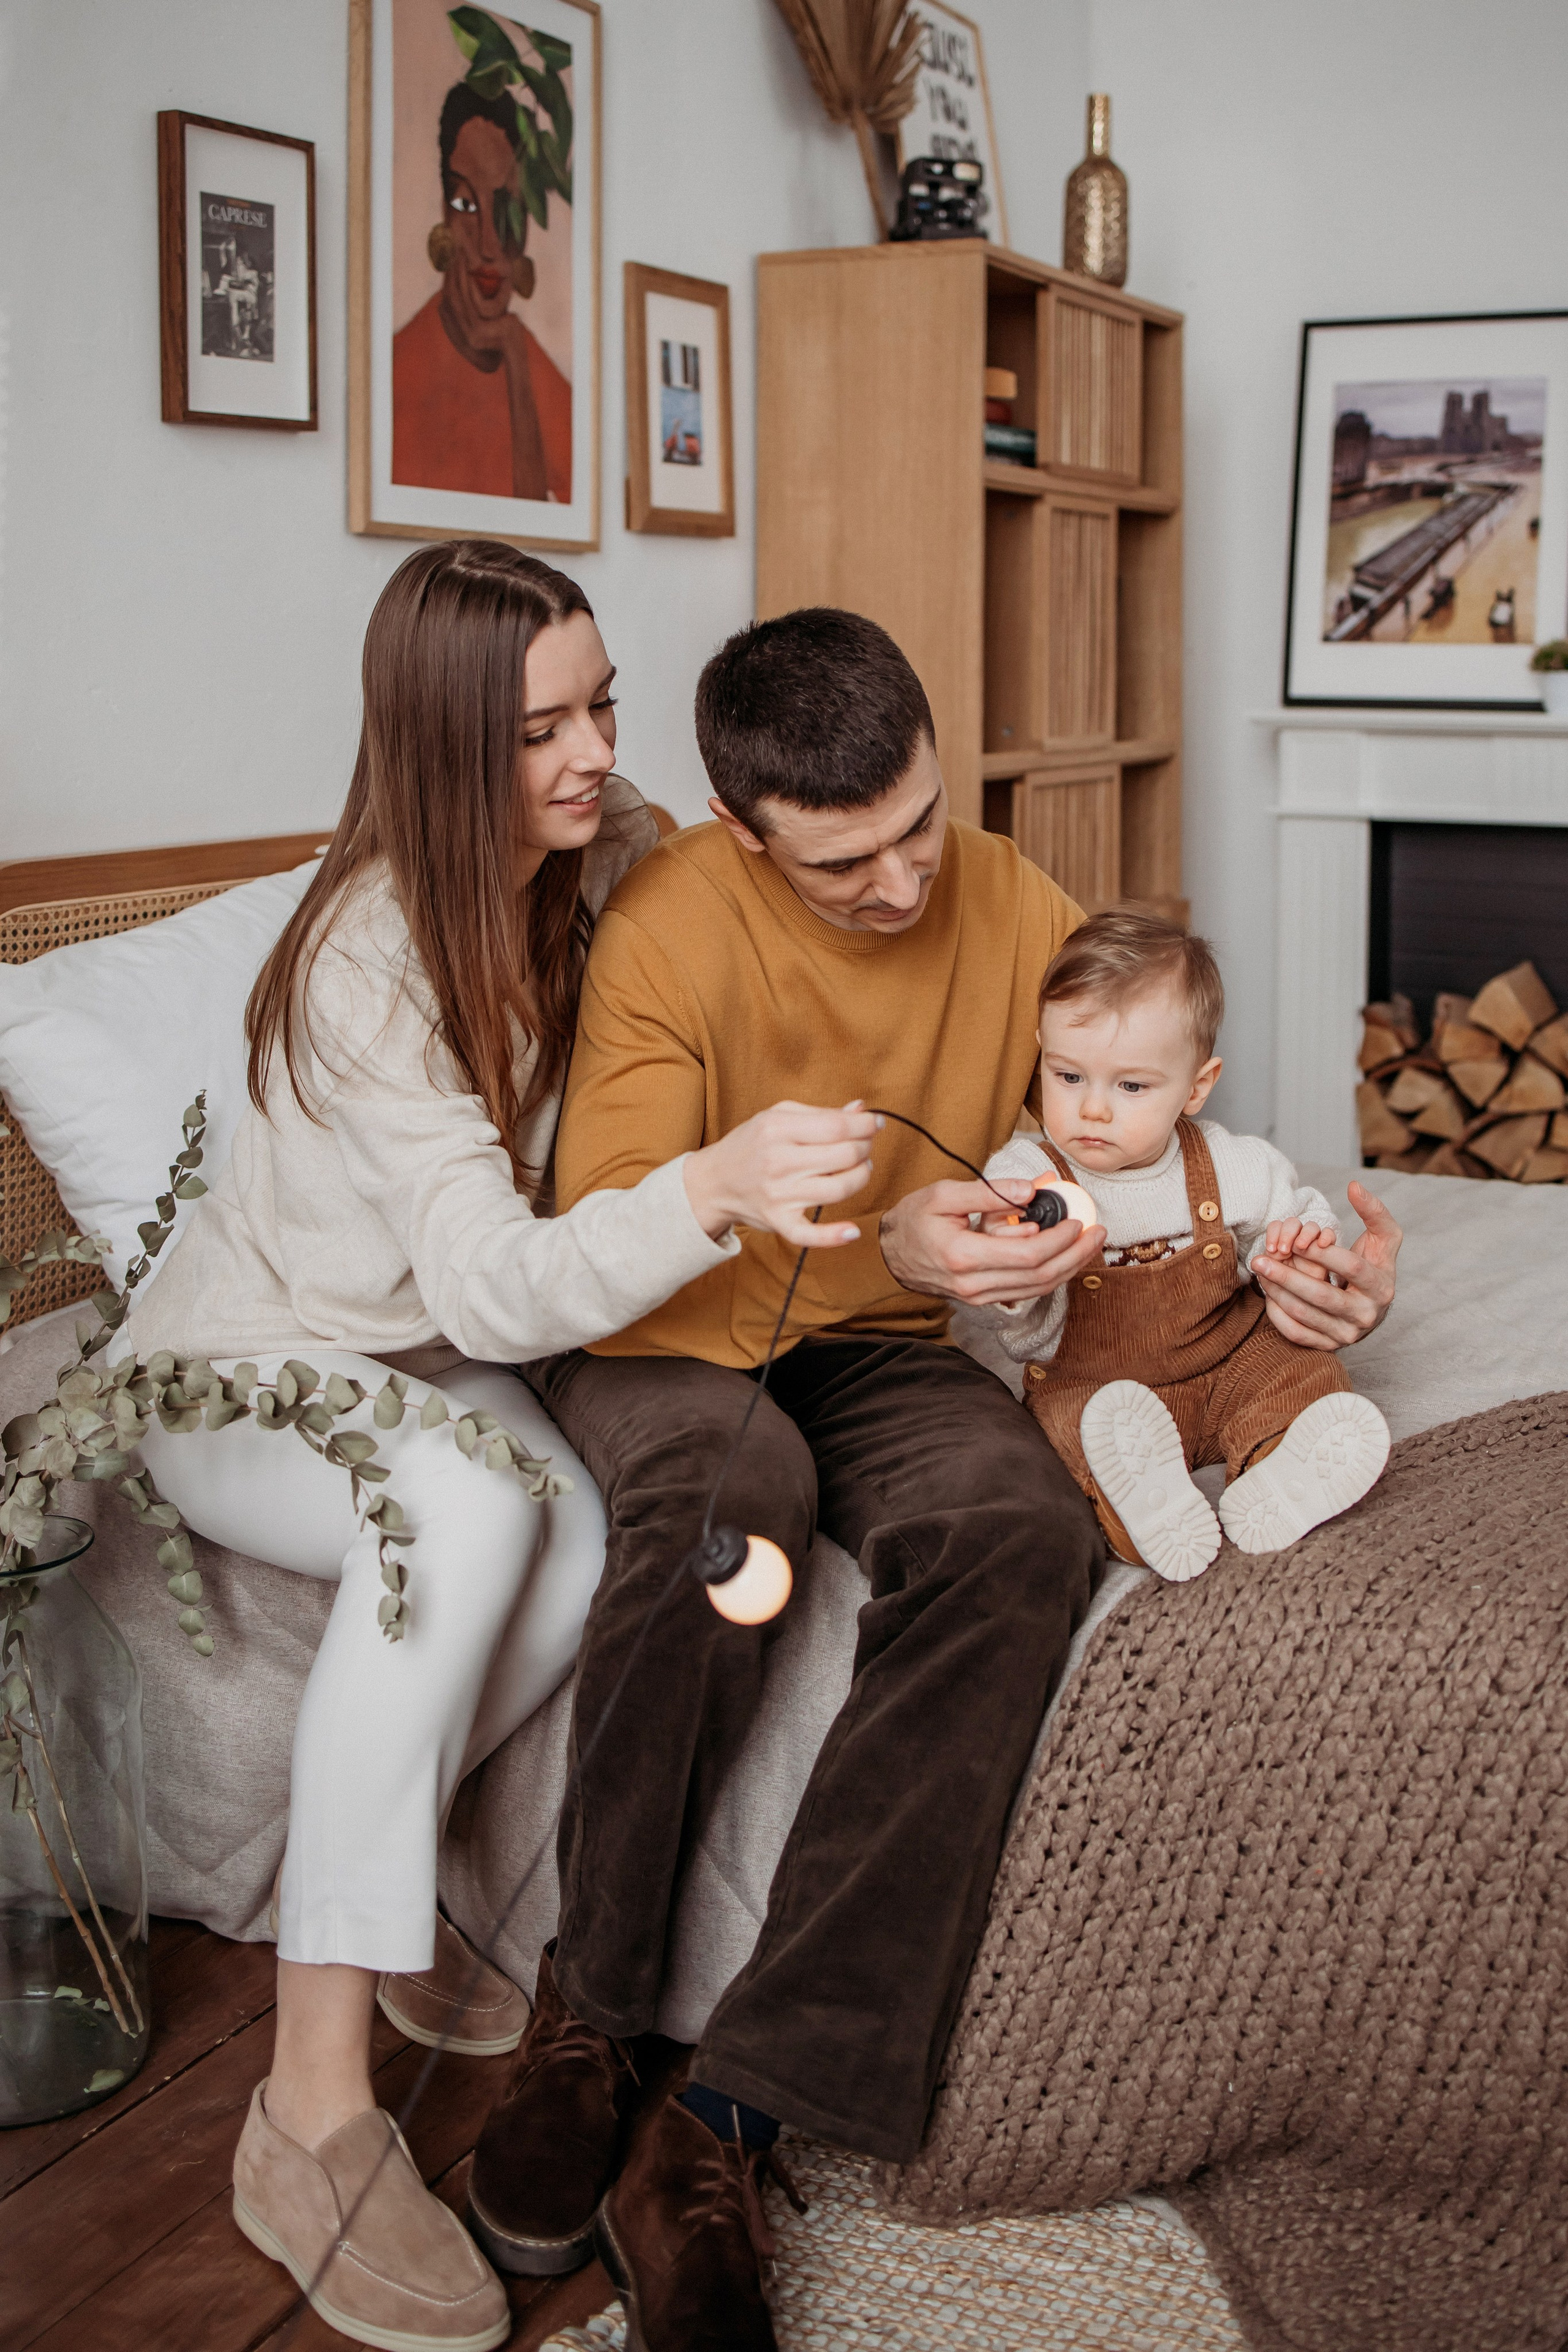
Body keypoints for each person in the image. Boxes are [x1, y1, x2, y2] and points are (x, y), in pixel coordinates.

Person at [464, 608, 1396, 2349]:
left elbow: (1132, 1141)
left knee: (1017, 1539)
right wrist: (850, 1221)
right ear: (747, 832)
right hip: (687, 1348)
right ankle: (587, 2026)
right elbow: (610, 1239)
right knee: (733, 1529)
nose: (903, 886)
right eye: (846, 865)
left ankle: (728, 2112)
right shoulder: (666, 931)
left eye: (918, 825)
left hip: (896, 1350)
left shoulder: (1009, 894)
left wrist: (1297, 1269)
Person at [121, 546, 876, 2352]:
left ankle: (399, 1912)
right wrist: (705, 1186)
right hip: (244, 1363)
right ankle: (306, 2103)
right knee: (454, 1512)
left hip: (420, 1356)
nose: (587, 749)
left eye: (600, 700)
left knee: (552, 1510)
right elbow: (486, 1272)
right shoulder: (362, 958)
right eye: (539, 725)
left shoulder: (594, 840)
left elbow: (755, 931)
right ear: (441, 744)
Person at [982, 908, 1395, 1581]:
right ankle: (1146, 1507)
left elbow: (1298, 1222)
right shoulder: (1023, 1178)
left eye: (1131, 1086)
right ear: (1042, 1055)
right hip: (1101, 1388)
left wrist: (1297, 1249)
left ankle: (1277, 1468)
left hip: (1223, 1364)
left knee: (1298, 1367)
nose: (1092, 1109)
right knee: (1067, 1431)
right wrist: (1012, 1266)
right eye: (1068, 1077)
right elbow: (1019, 1324)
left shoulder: (1235, 1165)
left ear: (1197, 1086)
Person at [392, 82, 570, 502]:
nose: (490, 245)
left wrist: (515, 358)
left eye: (508, 210)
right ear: (443, 218)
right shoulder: (397, 372)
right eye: (466, 206)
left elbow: (534, 544)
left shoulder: (544, 380)